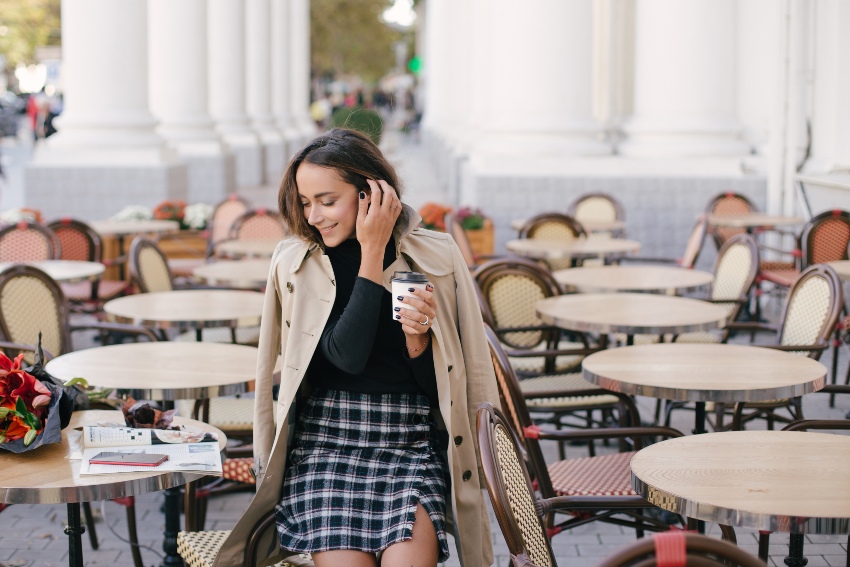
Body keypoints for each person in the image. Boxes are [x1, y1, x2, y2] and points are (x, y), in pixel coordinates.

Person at [213, 128, 500, 567]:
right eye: (306, 203)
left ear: (372, 194)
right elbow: (345, 358)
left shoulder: (435, 257)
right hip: (327, 446)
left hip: (409, 444)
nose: (314, 217)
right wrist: (371, 250)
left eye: (327, 201)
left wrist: (417, 338)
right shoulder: (298, 264)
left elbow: (445, 386)